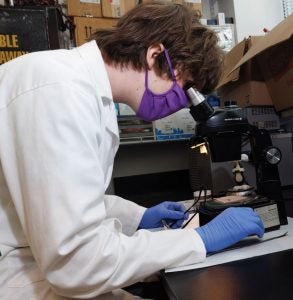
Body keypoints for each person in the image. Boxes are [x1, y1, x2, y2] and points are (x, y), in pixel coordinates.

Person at [0, 2, 264, 299]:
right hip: (15, 271)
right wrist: (197, 240)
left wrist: (136, 217)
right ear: (154, 55)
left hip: (35, 259)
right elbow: (75, 262)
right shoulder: (58, 91)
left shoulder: (84, 92)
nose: (181, 104)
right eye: (185, 87)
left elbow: (62, 198)